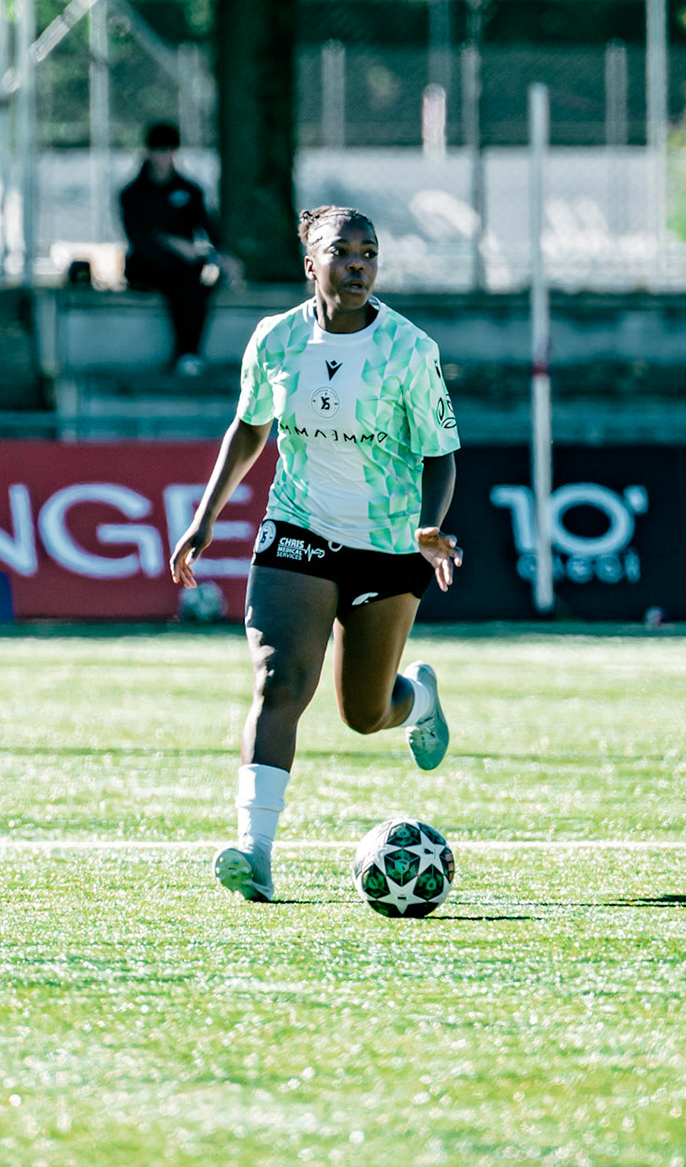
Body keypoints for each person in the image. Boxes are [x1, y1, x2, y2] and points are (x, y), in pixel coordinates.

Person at [169, 205, 463, 903]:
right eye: (342, 252)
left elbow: (442, 454)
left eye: (370, 253)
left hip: (387, 543)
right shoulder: (275, 340)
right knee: (280, 682)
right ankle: (255, 853)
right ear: (311, 265)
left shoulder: (409, 350)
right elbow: (249, 429)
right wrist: (205, 518)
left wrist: (425, 526)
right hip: (297, 530)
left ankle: (417, 698)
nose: (358, 264)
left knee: (363, 713)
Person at [119, 121, 226, 376]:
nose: (163, 158)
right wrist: (174, 244)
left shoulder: (188, 190)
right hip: (146, 266)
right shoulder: (132, 194)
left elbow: (207, 225)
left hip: (182, 268)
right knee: (183, 280)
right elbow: (139, 238)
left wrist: (222, 255)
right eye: (158, 151)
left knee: (191, 283)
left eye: (168, 151)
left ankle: (188, 353)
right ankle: (186, 353)